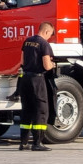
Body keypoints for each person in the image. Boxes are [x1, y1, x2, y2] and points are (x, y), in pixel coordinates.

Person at [18, 22, 55, 151]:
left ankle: (23, 143)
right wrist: (53, 65)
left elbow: (22, 61)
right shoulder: (44, 44)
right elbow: (46, 65)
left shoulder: (27, 41)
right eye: (50, 34)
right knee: (41, 110)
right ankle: (37, 143)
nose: (50, 37)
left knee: (27, 110)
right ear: (46, 31)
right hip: (37, 80)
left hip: (25, 79)